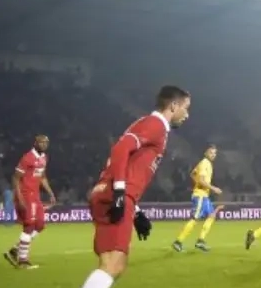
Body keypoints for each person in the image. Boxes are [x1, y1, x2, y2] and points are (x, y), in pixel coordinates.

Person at [80, 85, 191, 288]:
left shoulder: (150, 125)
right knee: (113, 265)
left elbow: (128, 163)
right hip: (116, 194)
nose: (187, 114)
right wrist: (120, 192)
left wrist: (136, 212)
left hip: (111, 193)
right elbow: (121, 148)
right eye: (186, 108)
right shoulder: (155, 124)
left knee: (113, 264)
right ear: (174, 106)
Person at [3, 135, 56, 269]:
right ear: (35, 143)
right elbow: (15, 178)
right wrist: (20, 198)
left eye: (46, 143)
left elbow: (42, 177)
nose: (44, 145)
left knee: (40, 225)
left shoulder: (44, 158)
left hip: (35, 196)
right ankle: (23, 261)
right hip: (26, 195)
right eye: (41, 142)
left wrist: (50, 193)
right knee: (29, 226)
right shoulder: (27, 158)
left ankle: (15, 250)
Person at [173, 144, 221, 253]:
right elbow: (202, 180)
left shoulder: (205, 163)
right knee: (195, 219)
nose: (213, 155)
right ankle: (178, 242)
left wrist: (198, 182)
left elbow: (193, 174)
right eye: (211, 152)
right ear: (205, 153)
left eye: (215, 153)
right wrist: (213, 188)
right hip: (200, 196)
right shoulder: (204, 163)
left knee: (212, 216)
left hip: (205, 196)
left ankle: (200, 241)